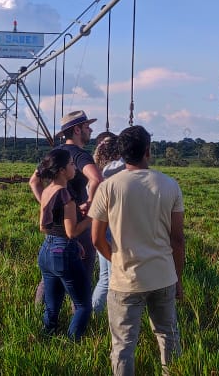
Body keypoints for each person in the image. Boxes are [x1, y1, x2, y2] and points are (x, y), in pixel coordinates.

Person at [90, 125, 185, 375]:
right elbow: (178, 240)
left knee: (122, 345)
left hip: (125, 280)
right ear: (148, 151)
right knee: (168, 337)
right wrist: (178, 278)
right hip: (163, 275)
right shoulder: (170, 185)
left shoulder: (108, 187)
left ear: (122, 153)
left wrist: (115, 260)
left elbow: (97, 239)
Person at [30, 110, 104, 301]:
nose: (91, 130)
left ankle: (39, 319)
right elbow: (96, 179)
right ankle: (80, 323)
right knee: (81, 278)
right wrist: (89, 204)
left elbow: (34, 182)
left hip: (56, 228)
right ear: (77, 130)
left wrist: (49, 207)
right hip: (78, 224)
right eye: (87, 127)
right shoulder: (80, 155)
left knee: (50, 278)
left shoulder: (55, 153)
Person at [35, 148, 92, 340]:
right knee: (83, 305)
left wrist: (71, 242)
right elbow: (72, 231)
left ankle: (46, 338)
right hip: (63, 252)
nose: (74, 167)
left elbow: (43, 227)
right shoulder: (65, 195)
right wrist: (93, 216)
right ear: (61, 170)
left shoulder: (47, 190)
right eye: (70, 164)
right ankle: (73, 344)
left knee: (52, 306)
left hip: (46, 251)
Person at [90, 131, 125, 313]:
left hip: (99, 226)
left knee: (105, 277)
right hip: (113, 228)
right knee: (112, 277)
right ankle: (110, 316)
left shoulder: (96, 174)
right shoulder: (117, 170)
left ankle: (95, 315)